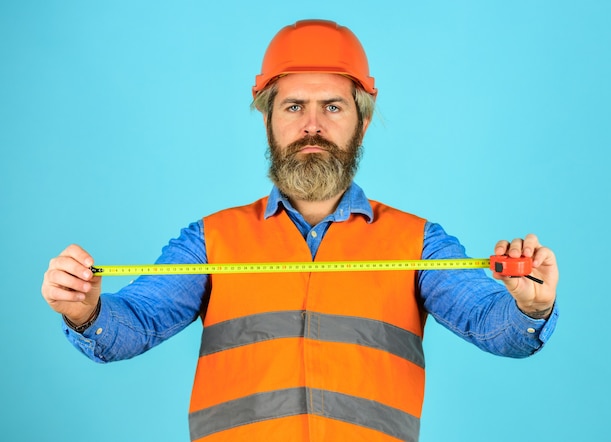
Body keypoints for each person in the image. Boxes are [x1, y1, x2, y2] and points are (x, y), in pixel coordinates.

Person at [41, 19, 559, 442]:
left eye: (332, 106)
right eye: (294, 107)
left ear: (363, 121)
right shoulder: (209, 241)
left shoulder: (418, 243)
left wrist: (530, 307)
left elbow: (496, 329)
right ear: (269, 121)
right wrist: (87, 310)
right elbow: (134, 326)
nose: (312, 124)